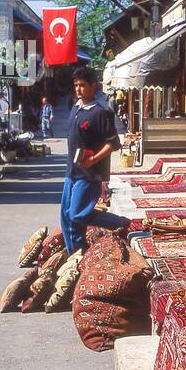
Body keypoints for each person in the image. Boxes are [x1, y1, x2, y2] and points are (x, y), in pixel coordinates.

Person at [59, 66, 131, 253]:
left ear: (93, 86)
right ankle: (74, 252)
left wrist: (94, 159)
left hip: (89, 174)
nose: (78, 89)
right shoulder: (76, 108)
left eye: (82, 85)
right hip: (71, 172)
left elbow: (113, 143)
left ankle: (119, 223)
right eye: (76, 85)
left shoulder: (101, 112)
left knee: (77, 215)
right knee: (66, 217)